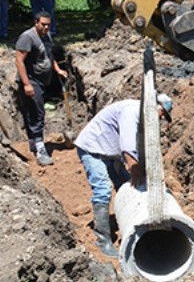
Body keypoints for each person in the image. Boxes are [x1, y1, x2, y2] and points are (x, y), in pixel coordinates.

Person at [74, 93, 174, 257]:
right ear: (152, 104)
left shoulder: (143, 117)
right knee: (102, 189)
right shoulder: (132, 111)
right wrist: (134, 168)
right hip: (92, 149)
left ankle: (137, 225)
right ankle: (103, 239)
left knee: (127, 187)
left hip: (111, 152)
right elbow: (127, 146)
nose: (161, 118)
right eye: (161, 113)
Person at [15, 11, 67, 166]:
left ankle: (33, 143)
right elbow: (19, 61)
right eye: (43, 24)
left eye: (48, 25)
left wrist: (57, 70)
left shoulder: (47, 36)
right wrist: (26, 84)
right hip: (32, 81)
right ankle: (40, 148)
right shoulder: (27, 37)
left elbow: (49, 56)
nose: (45, 27)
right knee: (38, 113)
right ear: (36, 22)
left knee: (36, 112)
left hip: (43, 81)